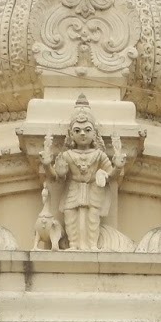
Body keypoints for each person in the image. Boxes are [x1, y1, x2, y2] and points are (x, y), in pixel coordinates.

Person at [40, 96, 121, 251]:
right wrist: (46, 164)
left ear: (94, 133)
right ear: (71, 134)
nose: (82, 133)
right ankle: (74, 245)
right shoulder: (68, 155)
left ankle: (92, 245)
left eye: (87, 130)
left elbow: (111, 173)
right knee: (70, 217)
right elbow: (56, 176)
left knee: (93, 218)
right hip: (73, 188)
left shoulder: (98, 155)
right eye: (77, 130)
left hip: (94, 189)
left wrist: (117, 166)